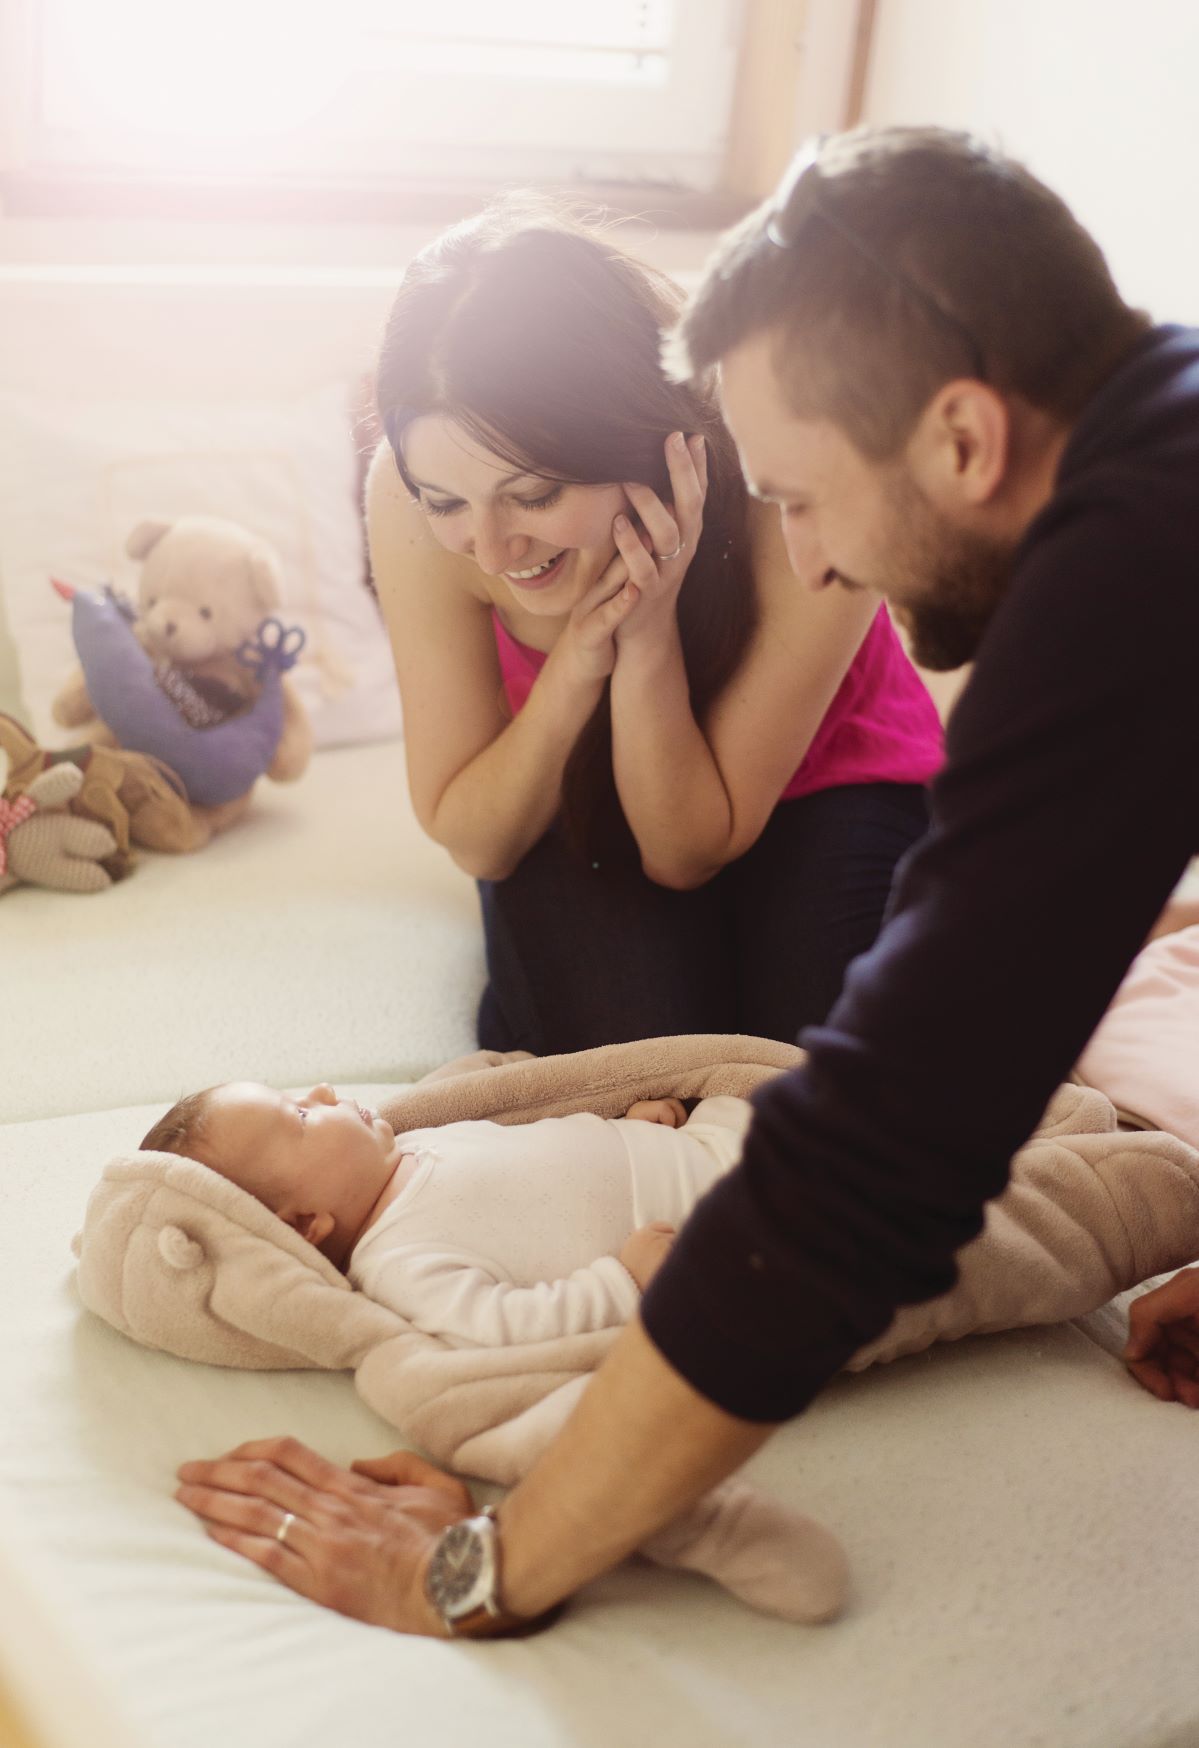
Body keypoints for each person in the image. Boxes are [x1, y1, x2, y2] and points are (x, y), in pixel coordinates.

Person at [176, 126, 1199, 1638]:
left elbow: (866, 1174)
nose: (806, 562)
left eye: (796, 497)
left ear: (963, 440)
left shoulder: (1115, 603)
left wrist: (485, 1567)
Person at [364, 196, 942, 1054]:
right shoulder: (406, 501)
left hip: (825, 778)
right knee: (644, 1072)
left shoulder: (815, 469)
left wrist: (645, 636)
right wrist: (574, 668)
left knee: (809, 1072)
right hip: (577, 781)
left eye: (534, 496)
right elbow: (476, 838)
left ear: (652, 444)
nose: (489, 548)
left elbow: (686, 849)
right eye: (446, 501)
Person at [143, 1080, 744, 1339]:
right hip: (713, 1232)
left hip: (702, 1143)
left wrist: (625, 1127)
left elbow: (538, 1143)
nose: (323, 1092)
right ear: (305, 1223)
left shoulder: (406, 1145)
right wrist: (625, 1285)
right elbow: (504, 1329)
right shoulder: (399, 1267)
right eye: (299, 1115)